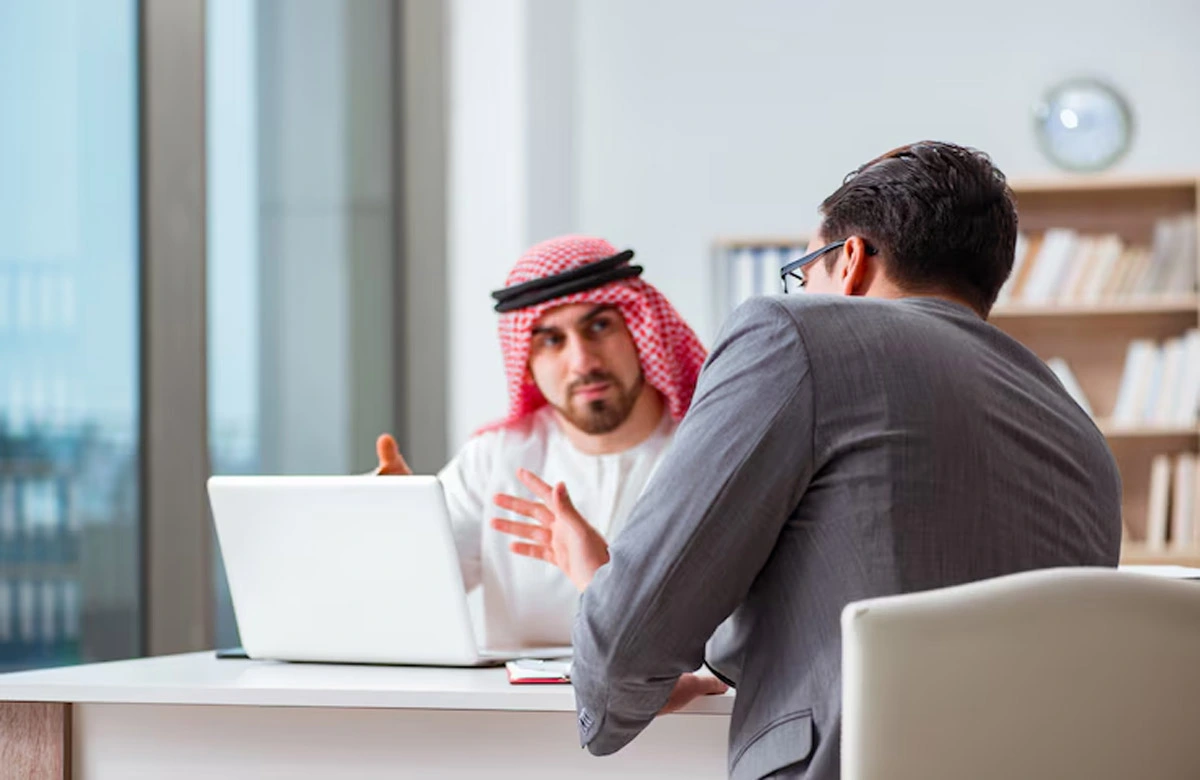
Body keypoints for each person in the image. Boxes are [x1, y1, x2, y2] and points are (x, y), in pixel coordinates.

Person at [493, 142, 1122, 779]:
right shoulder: (1072, 424)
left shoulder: (797, 334)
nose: (802, 292)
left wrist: (613, 637)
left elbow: (627, 648)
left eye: (804, 272)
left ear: (849, 261)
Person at [374, 234, 707, 649]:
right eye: (551, 341)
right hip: (515, 713)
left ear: (641, 332)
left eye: (600, 327)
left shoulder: (708, 452)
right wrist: (394, 522)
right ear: (527, 364)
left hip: (677, 712)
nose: (582, 361)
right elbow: (410, 591)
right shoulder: (494, 458)